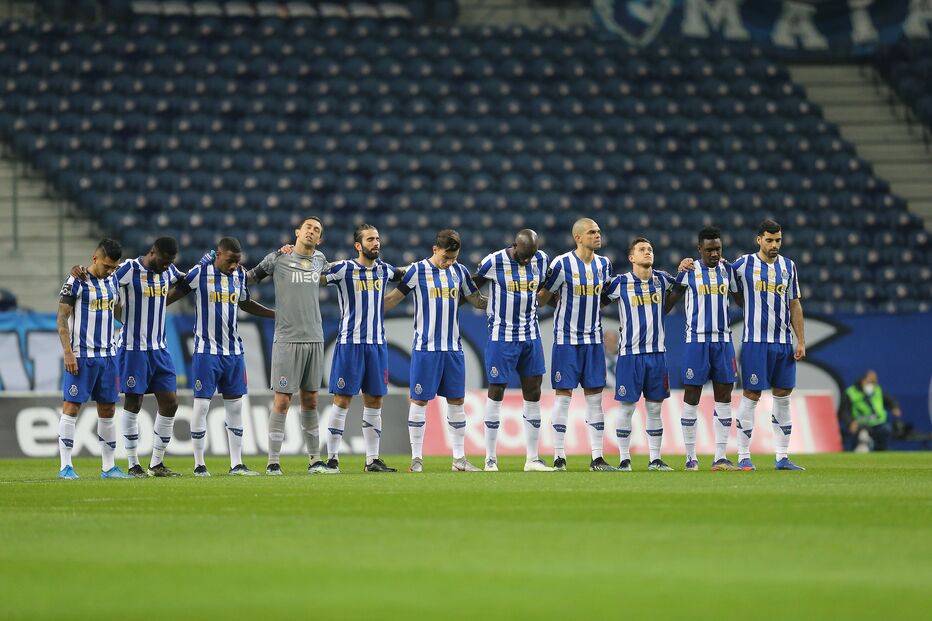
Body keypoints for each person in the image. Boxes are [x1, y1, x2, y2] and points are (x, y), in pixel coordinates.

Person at [72, 237, 186, 477]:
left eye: (170, 262)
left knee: (170, 403)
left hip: (160, 348)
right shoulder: (128, 269)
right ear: (153, 252)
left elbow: (187, 281)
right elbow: (101, 276)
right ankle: (133, 463)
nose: (167, 266)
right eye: (164, 261)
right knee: (133, 404)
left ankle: (156, 463)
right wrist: (79, 271)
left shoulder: (170, 270)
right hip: (132, 348)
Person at [383, 229, 488, 473]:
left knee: (457, 401)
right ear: (435, 250)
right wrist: (369, 310)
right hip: (426, 348)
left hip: (453, 348)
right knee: (419, 400)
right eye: (446, 257)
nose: (449, 262)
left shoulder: (459, 271)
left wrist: (499, 302)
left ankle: (459, 459)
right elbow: (391, 299)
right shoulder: (416, 271)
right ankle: (417, 459)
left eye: (453, 258)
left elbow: (475, 299)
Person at [172, 237, 275, 476]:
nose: (234, 266)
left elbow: (245, 303)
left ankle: (236, 464)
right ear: (218, 255)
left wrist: (275, 315)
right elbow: (175, 293)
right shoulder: (200, 272)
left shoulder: (239, 276)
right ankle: (199, 464)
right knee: (201, 407)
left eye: (238, 261)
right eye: (230, 261)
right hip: (206, 352)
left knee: (236, 408)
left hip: (234, 352)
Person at [247, 216, 339, 475]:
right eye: (308, 227)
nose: (312, 231)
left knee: (310, 400)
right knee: (283, 401)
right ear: (297, 232)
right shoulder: (278, 259)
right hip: (287, 339)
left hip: (315, 337)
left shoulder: (320, 261)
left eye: (317, 230)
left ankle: (314, 460)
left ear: (319, 239)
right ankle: (273, 461)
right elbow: (249, 279)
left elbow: (342, 275)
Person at [537, 218, 616, 472]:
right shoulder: (561, 264)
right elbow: (543, 298)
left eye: (599, 231)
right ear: (578, 238)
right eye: (592, 232)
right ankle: (559, 456)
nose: (597, 235)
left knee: (595, 399)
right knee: (563, 397)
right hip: (566, 341)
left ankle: (597, 458)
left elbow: (603, 298)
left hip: (593, 341)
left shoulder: (604, 265)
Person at [323, 224, 402, 473]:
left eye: (378, 238)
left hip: (377, 345)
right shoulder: (343, 268)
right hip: (350, 343)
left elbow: (405, 273)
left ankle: (372, 460)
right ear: (358, 246)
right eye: (370, 239)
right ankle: (332, 458)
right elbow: (314, 275)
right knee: (342, 399)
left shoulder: (383, 270)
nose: (376, 243)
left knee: (375, 400)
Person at [474, 229, 553, 472]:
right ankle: (490, 458)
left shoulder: (541, 259)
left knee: (534, 392)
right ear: (514, 246)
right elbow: (470, 289)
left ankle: (532, 459)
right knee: (496, 391)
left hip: (531, 336)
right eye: (523, 255)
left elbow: (544, 289)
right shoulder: (493, 261)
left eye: (531, 255)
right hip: (502, 337)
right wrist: (485, 306)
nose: (527, 260)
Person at [732, 219, 807, 471]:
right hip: (755, 342)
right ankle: (743, 455)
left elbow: (794, 303)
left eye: (778, 240)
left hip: (783, 342)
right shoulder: (744, 264)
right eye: (770, 240)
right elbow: (720, 275)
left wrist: (801, 340)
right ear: (759, 240)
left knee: (783, 396)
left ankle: (782, 457)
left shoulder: (789, 266)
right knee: (751, 395)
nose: (774, 245)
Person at [667, 227, 743, 471]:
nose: (714, 253)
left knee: (724, 397)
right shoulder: (689, 272)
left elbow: (741, 300)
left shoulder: (728, 270)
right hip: (696, 342)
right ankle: (691, 457)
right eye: (709, 249)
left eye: (717, 249)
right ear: (699, 249)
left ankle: (720, 456)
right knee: (691, 398)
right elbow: (668, 303)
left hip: (723, 342)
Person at [56, 239, 133, 479]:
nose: (110, 271)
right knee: (71, 407)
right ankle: (65, 466)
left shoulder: (113, 279)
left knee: (108, 408)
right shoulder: (76, 281)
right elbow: (61, 318)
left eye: (114, 267)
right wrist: (68, 352)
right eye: (107, 266)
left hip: (108, 356)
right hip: (82, 356)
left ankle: (108, 467)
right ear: (95, 259)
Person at [605, 237, 678, 472]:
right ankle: (624, 459)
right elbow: (597, 301)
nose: (647, 252)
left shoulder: (663, 280)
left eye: (650, 249)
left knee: (655, 408)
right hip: (630, 355)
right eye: (642, 249)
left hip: (657, 354)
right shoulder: (620, 283)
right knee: (627, 408)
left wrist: (687, 266)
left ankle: (655, 459)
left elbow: (683, 288)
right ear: (631, 257)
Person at [838, 370, 902, 452]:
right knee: (861, 434)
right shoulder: (851, 392)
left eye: (874, 382)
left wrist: (895, 407)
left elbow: (890, 400)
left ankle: (879, 450)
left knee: (886, 430)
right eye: (869, 381)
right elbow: (844, 411)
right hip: (859, 424)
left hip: (877, 424)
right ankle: (861, 446)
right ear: (863, 380)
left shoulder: (878, 390)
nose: (871, 385)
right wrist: (850, 422)